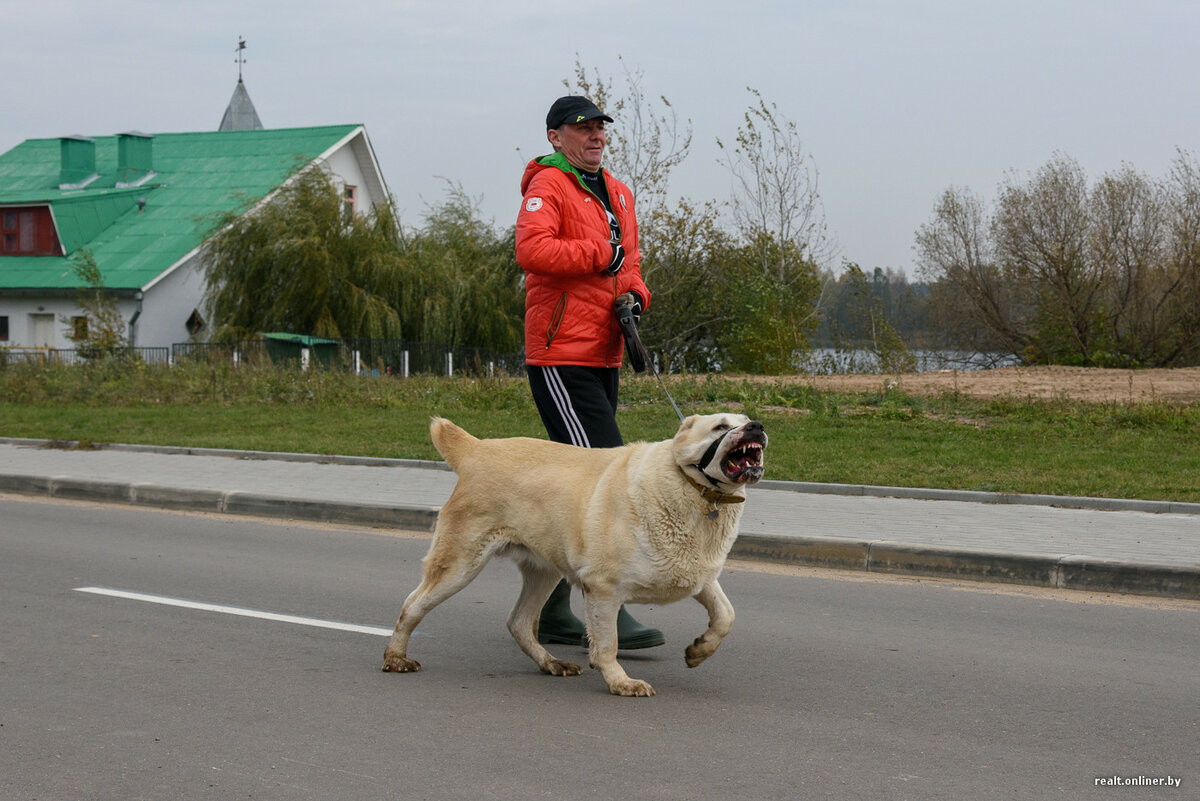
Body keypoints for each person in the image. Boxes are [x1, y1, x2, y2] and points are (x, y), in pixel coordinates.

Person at [514, 95, 664, 650]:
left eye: (600, 126)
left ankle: (550, 612)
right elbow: (532, 251)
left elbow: (633, 268)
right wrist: (600, 254)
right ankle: (610, 606)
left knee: (576, 489)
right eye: (582, 128)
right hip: (560, 357)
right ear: (556, 137)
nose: (595, 135)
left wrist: (636, 300)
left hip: (603, 353)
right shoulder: (548, 185)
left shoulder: (619, 191)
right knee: (609, 481)